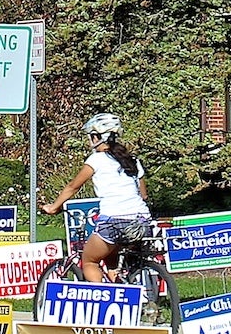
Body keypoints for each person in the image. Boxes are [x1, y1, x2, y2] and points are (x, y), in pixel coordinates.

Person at [41, 113, 151, 282]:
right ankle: (119, 281)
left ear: (97, 137)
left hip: (113, 221)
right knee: (111, 256)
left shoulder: (97, 160)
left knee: (89, 261)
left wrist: (54, 207)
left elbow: (73, 187)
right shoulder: (132, 161)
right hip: (141, 221)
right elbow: (143, 195)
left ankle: (104, 300)